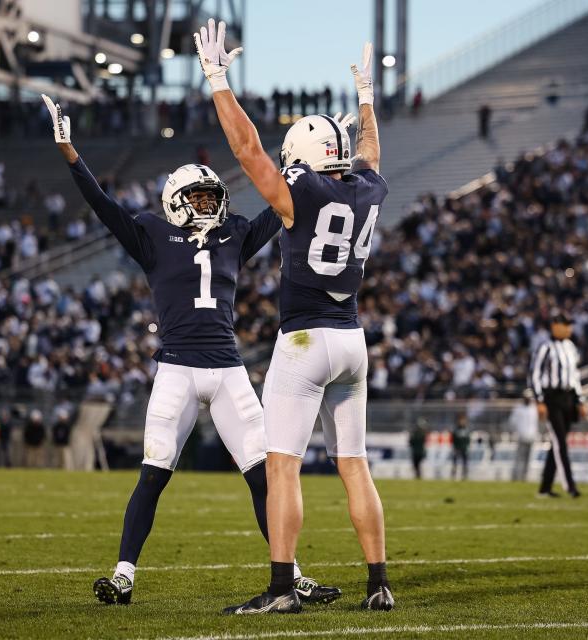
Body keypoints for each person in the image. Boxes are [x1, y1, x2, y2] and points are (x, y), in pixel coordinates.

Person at [41, 89, 336, 608]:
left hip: (228, 371)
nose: (206, 205)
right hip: (176, 369)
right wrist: (72, 155)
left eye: (209, 197)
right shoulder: (151, 234)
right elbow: (104, 207)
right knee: (154, 474)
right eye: (197, 198)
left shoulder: (235, 234)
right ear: (175, 201)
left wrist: (298, 169)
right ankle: (124, 575)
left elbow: (278, 207)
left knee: (262, 475)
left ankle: (290, 577)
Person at [195, 22, 392, 612]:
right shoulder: (368, 187)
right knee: (354, 466)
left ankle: (283, 587)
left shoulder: (298, 192)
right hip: (353, 340)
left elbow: (248, 151)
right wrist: (365, 100)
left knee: (282, 467)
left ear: (303, 157)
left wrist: (216, 80)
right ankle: (378, 583)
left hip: (305, 340)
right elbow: (371, 154)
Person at [529, 309, 586, 498]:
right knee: (560, 442)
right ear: (555, 326)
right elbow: (535, 374)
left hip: (568, 398)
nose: (569, 328)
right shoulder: (545, 347)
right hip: (552, 398)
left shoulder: (570, 347)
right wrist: (539, 400)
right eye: (566, 325)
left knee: (558, 444)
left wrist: (580, 400)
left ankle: (545, 488)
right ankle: (570, 486)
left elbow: (575, 376)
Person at [509, 390, 538, 481]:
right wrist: (516, 432)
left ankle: (524, 477)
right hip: (521, 436)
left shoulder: (534, 408)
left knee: (528, 459)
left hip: (532, 436)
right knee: (519, 458)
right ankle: (516, 476)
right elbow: (513, 422)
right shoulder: (518, 408)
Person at [451, 413, 470, 480]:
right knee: (455, 462)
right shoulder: (456, 429)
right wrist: (455, 447)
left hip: (464, 448)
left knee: (465, 462)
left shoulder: (466, 429)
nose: (462, 422)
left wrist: (467, 446)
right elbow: (453, 439)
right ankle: (454, 475)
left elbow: (468, 439)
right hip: (457, 448)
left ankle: (464, 475)